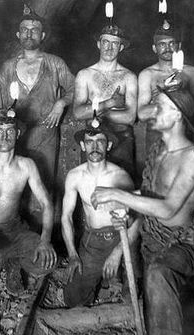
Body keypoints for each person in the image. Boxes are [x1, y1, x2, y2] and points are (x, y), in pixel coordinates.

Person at [91, 87, 194, 335]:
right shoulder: (159, 151)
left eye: (161, 106)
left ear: (177, 115)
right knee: (154, 308)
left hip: (181, 244)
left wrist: (117, 194)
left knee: (158, 275)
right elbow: (148, 198)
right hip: (151, 241)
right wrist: (127, 203)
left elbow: (167, 209)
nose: (154, 111)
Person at [0, 5, 74, 218]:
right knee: (13, 192)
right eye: (24, 29)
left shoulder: (55, 64)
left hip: (45, 136)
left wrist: (61, 102)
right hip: (15, 139)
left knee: (43, 191)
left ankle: (43, 242)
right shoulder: (8, 67)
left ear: (42, 35)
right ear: (18, 34)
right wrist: (5, 117)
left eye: (34, 29)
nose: (29, 33)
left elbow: (76, 89)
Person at [60, 123, 140, 308]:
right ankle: (103, 277)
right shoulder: (75, 176)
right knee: (74, 300)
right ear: (82, 146)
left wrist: (117, 252)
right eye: (89, 142)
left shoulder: (120, 176)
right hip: (94, 241)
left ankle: (122, 283)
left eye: (100, 142)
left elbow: (137, 221)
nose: (94, 147)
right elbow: (66, 217)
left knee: (133, 294)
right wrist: (72, 254)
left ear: (109, 145)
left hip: (123, 239)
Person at [0, 108, 57, 295]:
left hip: (14, 229)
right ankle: (5, 258)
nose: (4, 135)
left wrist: (45, 240)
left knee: (47, 261)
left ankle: (10, 260)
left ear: (17, 134)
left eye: (9, 130)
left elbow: (46, 204)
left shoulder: (26, 165)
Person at [73, 24, 138, 179]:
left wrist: (95, 112)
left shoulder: (129, 77)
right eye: (105, 42)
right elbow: (78, 113)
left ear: (121, 47)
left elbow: (130, 117)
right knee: (91, 185)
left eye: (114, 43)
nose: (109, 48)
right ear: (98, 44)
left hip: (122, 137)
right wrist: (109, 104)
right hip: (93, 137)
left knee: (122, 184)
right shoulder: (85, 75)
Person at [137, 20, 194, 152]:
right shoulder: (147, 75)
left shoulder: (190, 72)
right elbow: (141, 113)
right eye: (162, 44)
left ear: (179, 46)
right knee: (156, 171)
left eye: (172, 43)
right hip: (157, 134)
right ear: (154, 48)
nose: (168, 48)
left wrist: (183, 93)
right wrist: (163, 96)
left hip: (185, 132)